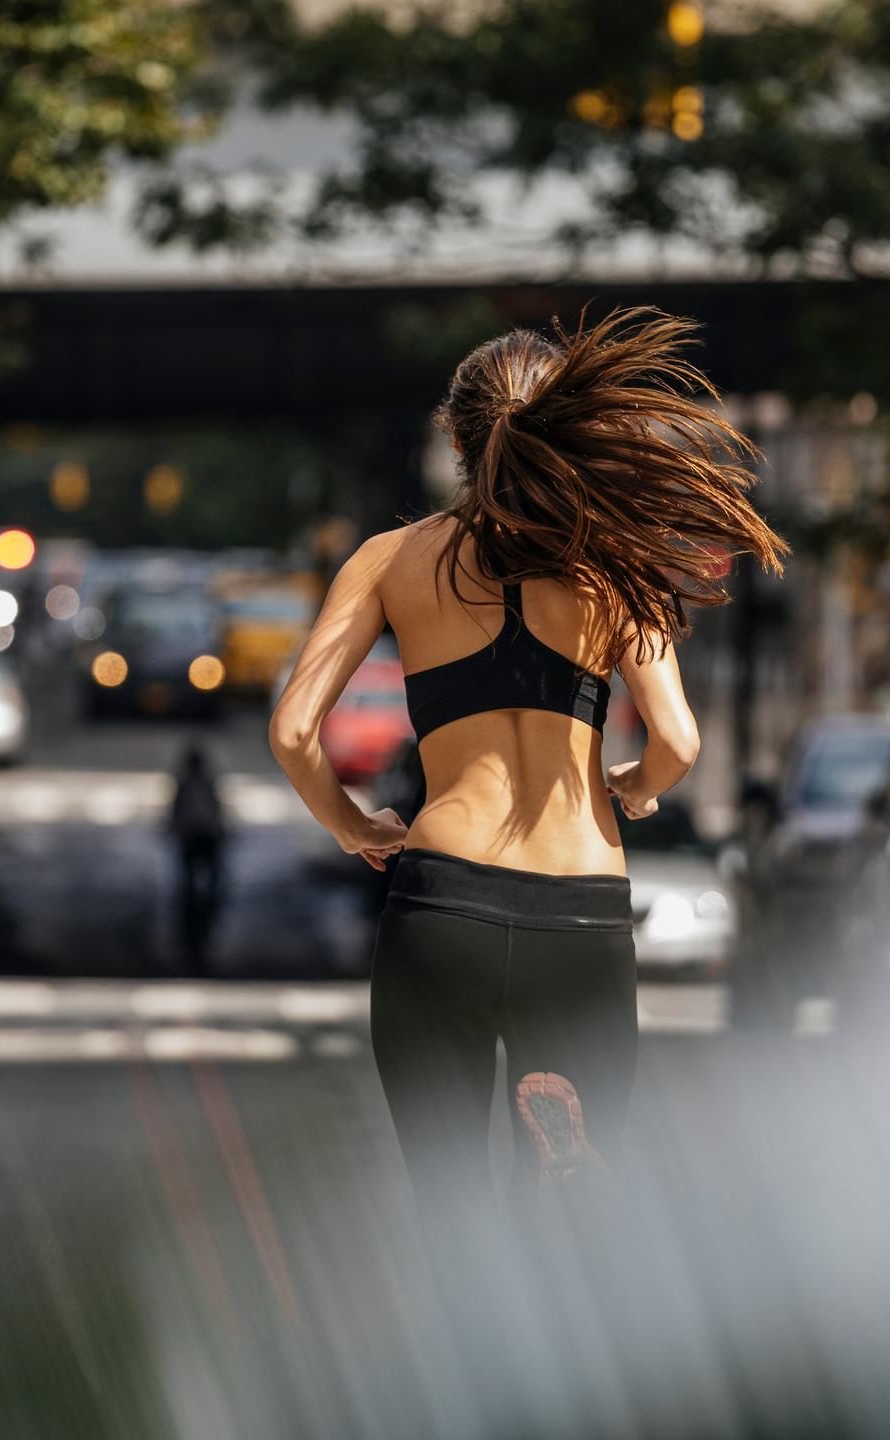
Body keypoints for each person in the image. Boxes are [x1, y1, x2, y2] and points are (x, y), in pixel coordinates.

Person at [268, 308, 788, 1294]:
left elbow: (294, 730)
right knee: (587, 1223)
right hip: (578, 910)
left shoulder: (390, 559)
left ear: (455, 439)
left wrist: (351, 825)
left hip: (444, 902)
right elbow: (677, 741)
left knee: (448, 1195)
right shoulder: (611, 567)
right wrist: (628, 790)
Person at [167, 744, 226, 968]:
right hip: (195, 839)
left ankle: (200, 928)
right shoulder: (192, 786)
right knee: (190, 886)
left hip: (202, 839)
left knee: (204, 886)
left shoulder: (202, 785)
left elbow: (215, 812)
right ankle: (193, 931)